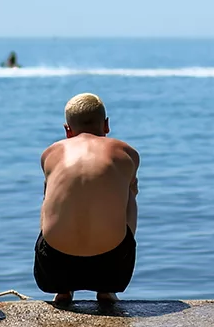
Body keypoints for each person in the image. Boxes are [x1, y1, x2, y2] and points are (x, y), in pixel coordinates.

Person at [35, 93, 139, 305]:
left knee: (49, 194)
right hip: (113, 270)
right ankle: (106, 290)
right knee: (129, 191)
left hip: (53, 269)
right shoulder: (127, 153)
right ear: (106, 125)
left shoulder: (50, 154)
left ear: (67, 130)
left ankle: (63, 291)